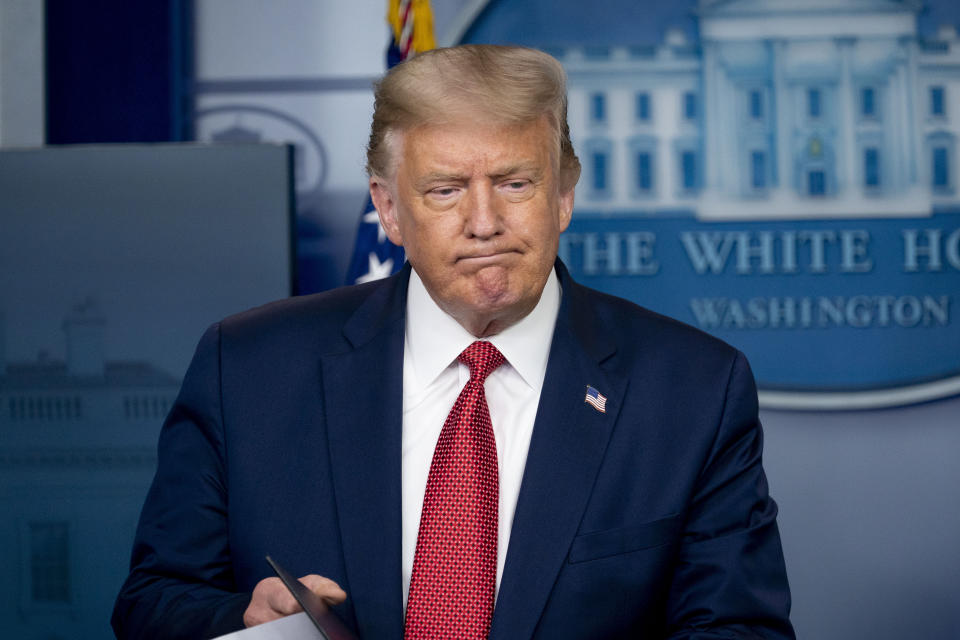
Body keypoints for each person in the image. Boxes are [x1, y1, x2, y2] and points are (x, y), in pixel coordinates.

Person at [112, 45, 794, 639]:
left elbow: (738, 628)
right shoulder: (251, 368)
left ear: (563, 195)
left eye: (515, 183)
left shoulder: (693, 388)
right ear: (387, 209)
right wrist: (242, 622)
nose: (484, 222)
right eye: (444, 190)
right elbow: (152, 602)